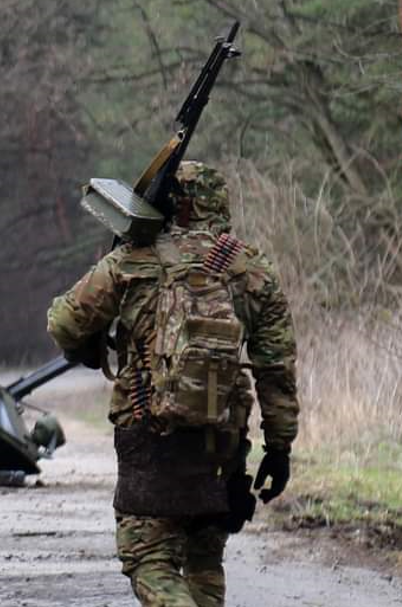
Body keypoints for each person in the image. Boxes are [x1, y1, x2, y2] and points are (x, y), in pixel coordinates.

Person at [46, 161, 299, 607]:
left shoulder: (132, 257)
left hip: (149, 435)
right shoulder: (251, 268)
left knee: (148, 559)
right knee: (204, 559)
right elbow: (275, 366)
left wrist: (93, 346)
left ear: (171, 203)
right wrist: (279, 447)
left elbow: (65, 323)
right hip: (221, 439)